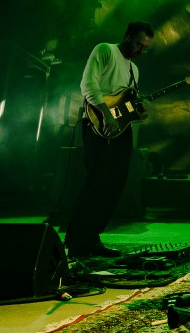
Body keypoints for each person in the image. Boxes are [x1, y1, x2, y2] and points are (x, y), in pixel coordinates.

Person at [64, 21, 154, 259]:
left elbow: (129, 107)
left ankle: (92, 237)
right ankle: (75, 239)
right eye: (138, 44)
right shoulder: (105, 50)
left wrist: (141, 110)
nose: (140, 51)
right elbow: (88, 85)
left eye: (145, 48)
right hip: (96, 123)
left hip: (120, 130)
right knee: (97, 180)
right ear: (127, 37)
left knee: (115, 183)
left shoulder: (134, 70)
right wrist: (105, 115)